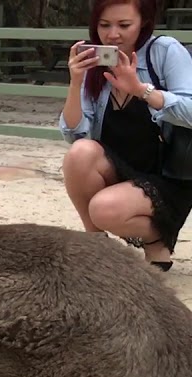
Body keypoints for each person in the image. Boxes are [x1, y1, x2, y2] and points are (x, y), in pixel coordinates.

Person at [59, 0, 192, 272]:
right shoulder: (97, 61)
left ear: (143, 22)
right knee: (79, 153)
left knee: (104, 209)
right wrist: (76, 82)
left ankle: (157, 240)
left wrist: (141, 90)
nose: (112, 34)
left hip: (168, 173)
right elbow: (75, 133)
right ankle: (98, 250)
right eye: (104, 25)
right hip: (120, 167)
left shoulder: (164, 51)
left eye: (124, 25)